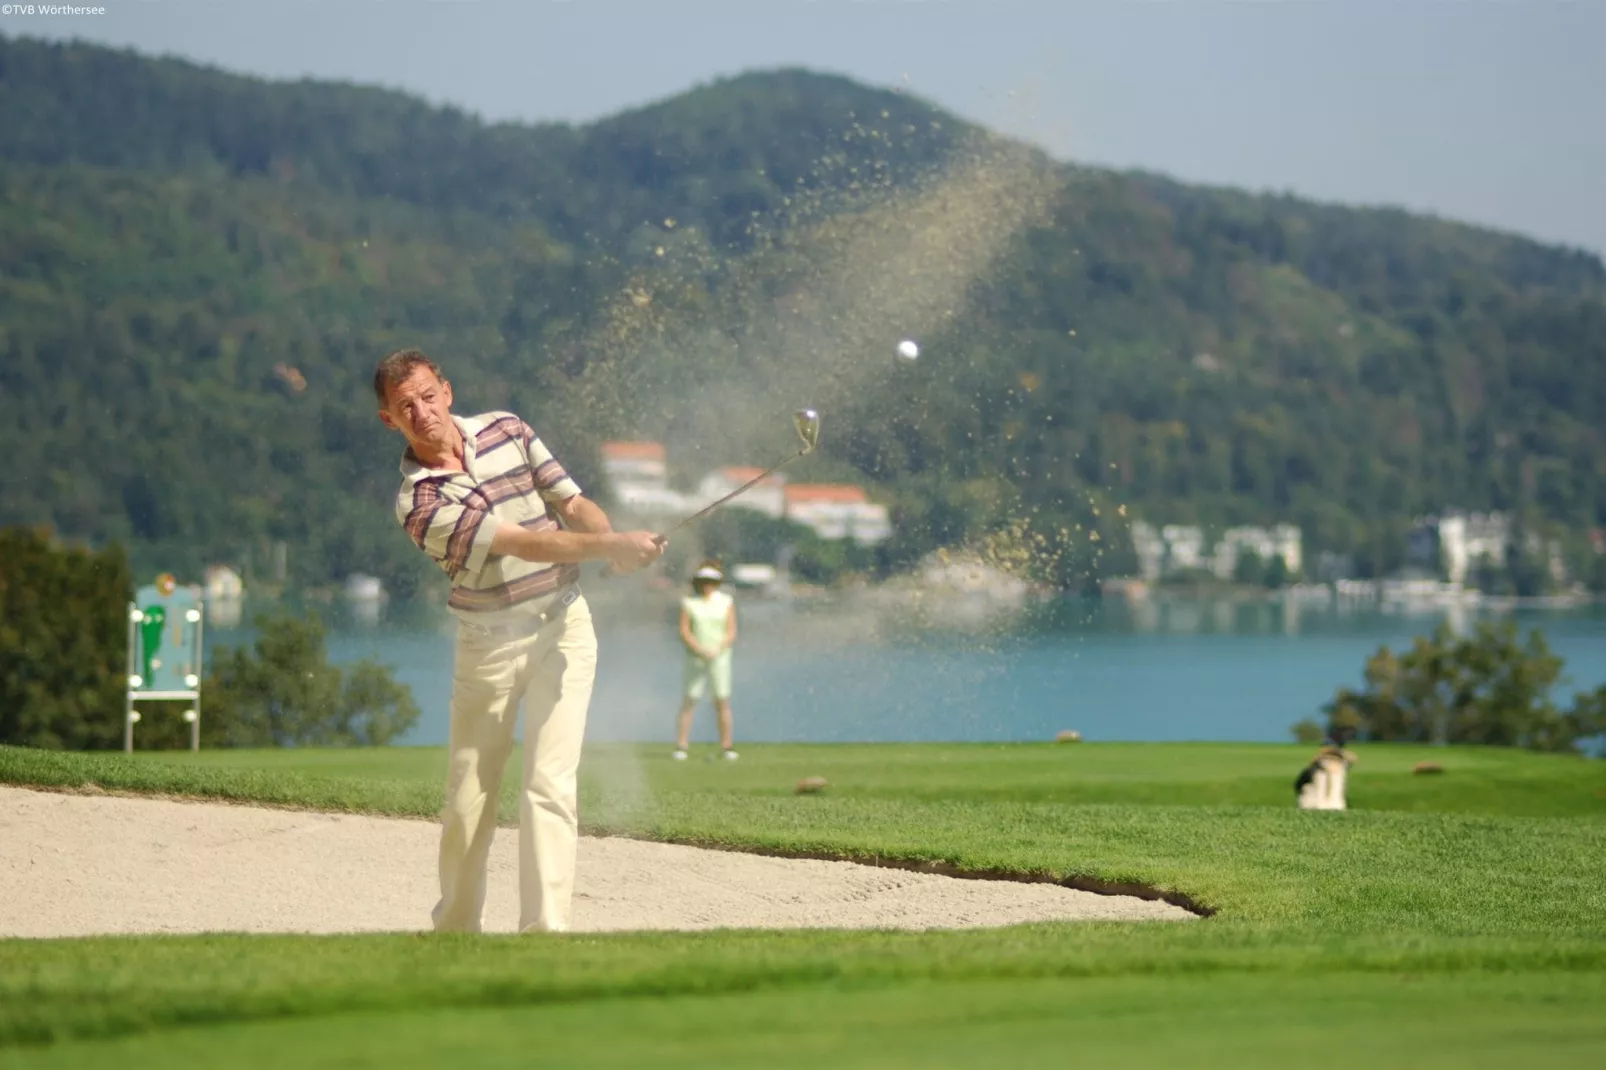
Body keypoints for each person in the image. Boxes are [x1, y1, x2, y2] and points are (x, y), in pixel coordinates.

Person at [374, 348, 665, 934]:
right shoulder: (419, 501)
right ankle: (456, 930)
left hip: (564, 624)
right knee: (468, 800)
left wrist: (607, 539)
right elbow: (523, 544)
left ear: (448, 391)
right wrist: (611, 549)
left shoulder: (509, 428)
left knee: (550, 782)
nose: (423, 412)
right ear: (390, 421)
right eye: (406, 406)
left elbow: (571, 503)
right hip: (491, 643)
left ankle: (545, 931)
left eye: (429, 396)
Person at [672, 560, 739, 761]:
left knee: (721, 700)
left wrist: (717, 648)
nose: (707, 585)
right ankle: (682, 745)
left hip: (720, 657)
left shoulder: (726, 601)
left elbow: (731, 631)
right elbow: (684, 631)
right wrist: (699, 649)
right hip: (696, 657)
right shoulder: (690, 603)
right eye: (704, 581)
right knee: (689, 700)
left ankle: (726, 746)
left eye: (711, 581)